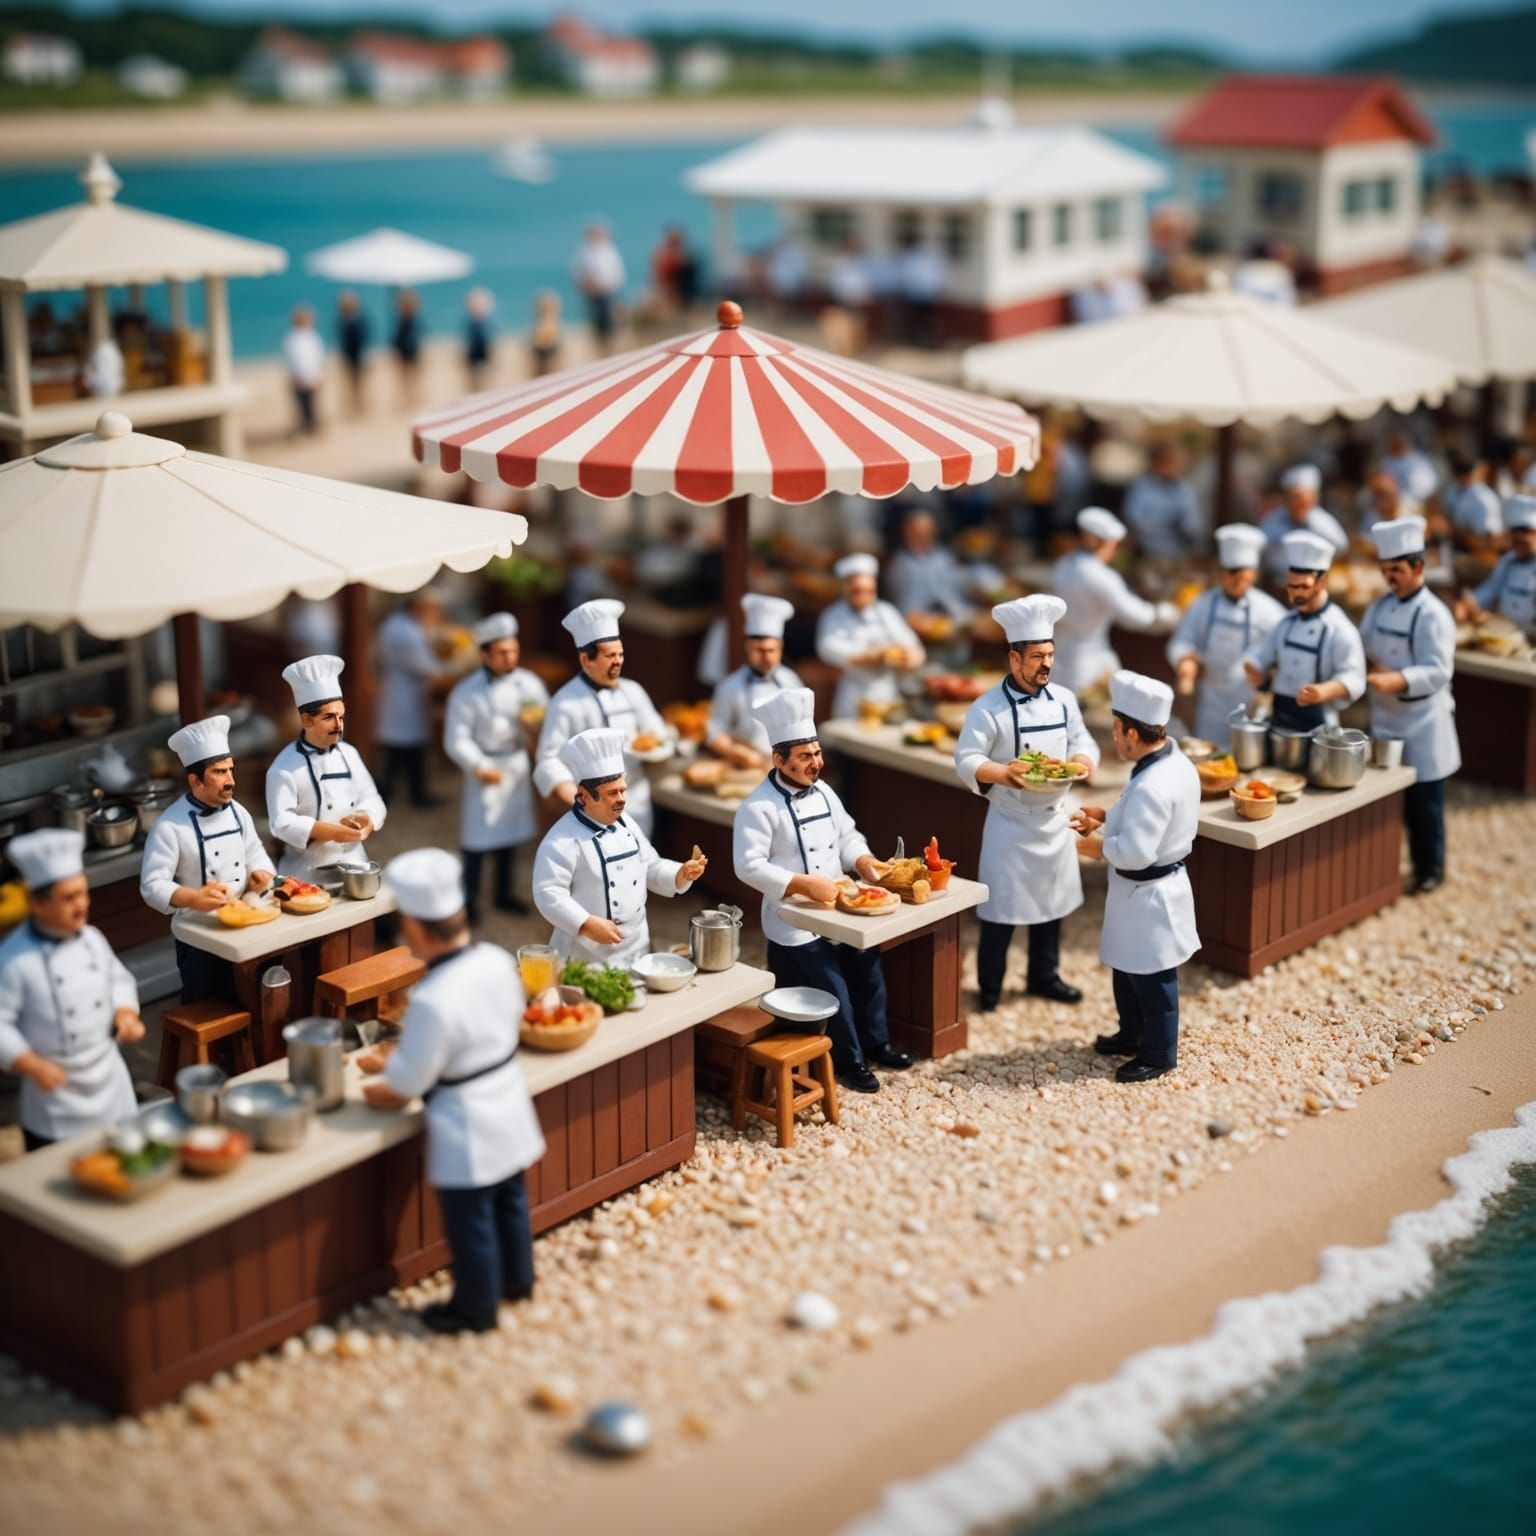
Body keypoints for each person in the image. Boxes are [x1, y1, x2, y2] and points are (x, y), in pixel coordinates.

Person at [359, 849, 545, 1335]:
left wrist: (375, 1086)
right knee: (511, 1197)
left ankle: (476, 1308)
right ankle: (519, 1281)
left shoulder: (431, 998)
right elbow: (499, 1020)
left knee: (472, 1220)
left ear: (418, 931)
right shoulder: (497, 959)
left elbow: (408, 1084)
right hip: (506, 1091)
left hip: (466, 1117)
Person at [733, 689, 912, 1094]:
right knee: (834, 989)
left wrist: (864, 860)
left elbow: (847, 835)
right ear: (779, 760)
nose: (816, 763)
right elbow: (748, 866)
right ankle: (850, 1061)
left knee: (869, 973)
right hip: (793, 919)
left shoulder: (826, 792)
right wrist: (800, 885)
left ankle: (877, 1041)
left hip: (841, 908)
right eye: (805, 756)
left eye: (817, 753)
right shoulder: (757, 808)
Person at [955, 596, 1099, 1013]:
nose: (1046, 665)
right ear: (1014, 659)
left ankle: (1044, 975)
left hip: (1054, 821)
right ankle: (990, 987)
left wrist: (1084, 762)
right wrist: (1002, 773)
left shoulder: (1065, 699)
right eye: (1037, 657)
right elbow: (966, 758)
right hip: (1011, 824)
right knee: (1001, 912)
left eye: (1051, 655)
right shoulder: (988, 708)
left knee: (1051, 907)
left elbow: (1083, 740)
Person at [1070, 671, 1201, 1084]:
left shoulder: (1153, 784)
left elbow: (1138, 851)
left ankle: (1159, 1052)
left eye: (1115, 730)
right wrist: (1107, 816)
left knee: (1153, 977)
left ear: (1130, 731)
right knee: (1126, 967)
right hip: (1139, 891)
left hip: (1149, 891)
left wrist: (1094, 847)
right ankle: (1131, 1033)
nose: (1114, 738)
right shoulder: (1170, 761)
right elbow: (1147, 819)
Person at [0, 830, 143, 1151]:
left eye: (83, 894)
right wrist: (31, 1065)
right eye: (69, 898)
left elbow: (118, 980)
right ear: (39, 903)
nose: (81, 906)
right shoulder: (14, 959)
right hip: (56, 1098)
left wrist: (125, 1012)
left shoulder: (92, 938)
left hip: (110, 1083)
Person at [532, 728, 705, 970]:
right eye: (612, 793)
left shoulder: (627, 823)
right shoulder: (561, 840)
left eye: (623, 790)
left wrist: (680, 873)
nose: (622, 799)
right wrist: (586, 923)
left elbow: (649, 864)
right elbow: (548, 893)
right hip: (587, 952)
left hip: (636, 943)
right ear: (583, 796)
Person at [142, 715, 275, 1004]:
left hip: (244, 924)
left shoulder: (239, 812)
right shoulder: (170, 826)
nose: (231, 781)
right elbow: (152, 885)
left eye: (230, 770)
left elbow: (254, 849)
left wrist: (261, 872)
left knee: (250, 1003)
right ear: (195, 780)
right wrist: (192, 898)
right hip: (199, 935)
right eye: (219, 772)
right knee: (209, 1005)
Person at [1360, 516, 1460, 895]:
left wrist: (1398, 679)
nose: (1390, 578)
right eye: (1386, 570)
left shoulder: (1434, 614)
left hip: (1423, 724)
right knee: (1388, 802)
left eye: (1397, 570)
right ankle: (1386, 868)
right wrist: (1371, 667)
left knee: (1426, 808)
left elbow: (1438, 671)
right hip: (1387, 718)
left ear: (1418, 568)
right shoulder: (1381, 607)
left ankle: (1429, 868)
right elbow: (1363, 642)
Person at [442, 613, 549, 923]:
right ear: (485, 654)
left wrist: (536, 731)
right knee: (477, 838)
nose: (509, 658)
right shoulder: (467, 692)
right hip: (486, 765)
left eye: (513, 651)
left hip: (515, 762)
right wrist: (478, 765)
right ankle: (470, 898)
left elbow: (545, 714)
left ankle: (504, 893)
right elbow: (456, 738)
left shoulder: (528, 683)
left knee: (511, 834)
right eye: (502, 653)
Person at [534, 600, 669, 836]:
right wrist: (578, 800)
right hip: (590, 810)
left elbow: (657, 732)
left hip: (635, 799)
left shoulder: (633, 691)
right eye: (609, 656)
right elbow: (548, 760)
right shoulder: (565, 702)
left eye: (620, 654)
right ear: (587, 660)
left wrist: (656, 742)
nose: (617, 661)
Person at [266, 655, 388, 879]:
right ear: (307, 721)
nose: (338, 725)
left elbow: (371, 796)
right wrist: (329, 831)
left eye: (341, 716)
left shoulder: (349, 754)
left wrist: (367, 818)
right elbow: (281, 823)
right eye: (329, 717)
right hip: (306, 871)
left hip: (355, 864)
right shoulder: (284, 768)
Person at [1166, 524, 1287, 742]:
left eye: (1243, 574)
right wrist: (1185, 661)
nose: (1236, 580)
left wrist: (1269, 673)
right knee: (1208, 753)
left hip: (1248, 698)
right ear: (1220, 573)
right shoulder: (1203, 604)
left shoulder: (1269, 610)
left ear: (1254, 574)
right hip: (1211, 698)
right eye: (1231, 573)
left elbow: (1285, 648)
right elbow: (1182, 639)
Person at [1242, 529, 1367, 732]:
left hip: (1319, 722)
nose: (1296, 594)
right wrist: (1254, 668)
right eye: (1292, 587)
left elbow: (1355, 678)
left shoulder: (1339, 628)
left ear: (1322, 582)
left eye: (1303, 587)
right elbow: (1262, 654)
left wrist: (1324, 691)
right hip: (1281, 717)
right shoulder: (1286, 623)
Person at [1049, 508, 1177, 697]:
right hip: (1087, 661)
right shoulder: (1101, 575)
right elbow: (1133, 615)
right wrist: (1163, 613)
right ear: (1097, 542)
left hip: (1059, 656)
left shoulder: (1063, 565)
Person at [815, 553, 925, 720]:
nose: (864, 597)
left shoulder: (887, 612)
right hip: (854, 694)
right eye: (857, 591)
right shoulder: (834, 615)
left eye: (869, 591)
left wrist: (912, 657)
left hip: (888, 694)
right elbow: (827, 648)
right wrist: (866, 656)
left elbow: (912, 646)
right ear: (846, 588)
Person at [706, 594, 802, 768]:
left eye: (771, 650)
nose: (766, 657)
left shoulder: (791, 681)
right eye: (759, 650)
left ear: (780, 648)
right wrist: (734, 751)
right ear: (748, 648)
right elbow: (714, 730)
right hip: (747, 765)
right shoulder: (730, 686)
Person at [375, 588, 449, 810]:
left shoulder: (398, 625)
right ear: (419, 608)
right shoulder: (405, 632)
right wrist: (451, 669)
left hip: (402, 694)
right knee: (400, 750)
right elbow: (426, 667)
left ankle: (408, 793)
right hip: (404, 696)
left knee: (403, 749)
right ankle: (409, 795)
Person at [1461, 494, 1536, 640]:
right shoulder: (1508, 562)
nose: (1518, 547)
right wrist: (1469, 603)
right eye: (1516, 542)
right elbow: (1489, 589)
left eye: (1523, 541)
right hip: (1505, 636)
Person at [1259, 464, 1349, 581]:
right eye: (1291, 497)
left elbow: (1341, 547)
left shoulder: (1324, 523)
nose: (1296, 502)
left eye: (1300, 497)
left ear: (1314, 498)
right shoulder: (1273, 520)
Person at [1122, 443, 1204, 561]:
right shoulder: (1142, 486)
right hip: (1148, 553)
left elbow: (1193, 522)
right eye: (1167, 462)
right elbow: (1133, 518)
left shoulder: (1183, 489)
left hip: (1179, 554)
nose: (1172, 467)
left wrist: (1187, 528)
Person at [885, 509, 972, 620]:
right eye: (918, 530)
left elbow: (960, 584)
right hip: (913, 620)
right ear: (907, 531)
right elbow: (899, 596)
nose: (924, 534)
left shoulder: (944, 557)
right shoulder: (899, 563)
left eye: (928, 530)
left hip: (954, 617)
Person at [573, 222, 625, 352]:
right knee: (596, 327)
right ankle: (601, 350)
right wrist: (587, 285)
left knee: (610, 326)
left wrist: (605, 285)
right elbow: (577, 273)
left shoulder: (610, 250)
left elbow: (617, 275)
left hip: (607, 293)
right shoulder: (584, 252)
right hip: (592, 295)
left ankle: (610, 350)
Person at [1442, 451, 1504, 554]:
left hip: (1482, 550)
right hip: (1458, 547)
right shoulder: (1452, 491)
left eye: (1466, 473)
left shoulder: (1484, 497)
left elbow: (1491, 537)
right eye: (1460, 474)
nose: (1463, 478)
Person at [282, 304, 324, 438]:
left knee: (312, 404)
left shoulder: (311, 336)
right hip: (299, 378)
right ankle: (305, 427)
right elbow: (292, 359)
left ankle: (312, 427)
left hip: (312, 376)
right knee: (301, 405)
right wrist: (295, 377)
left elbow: (317, 357)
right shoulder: (293, 337)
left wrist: (319, 374)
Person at [1380, 427, 1439, 506]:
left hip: (1416, 503)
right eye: (1394, 442)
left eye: (1399, 442)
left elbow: (1428, 485)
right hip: (1392, 504)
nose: (1396, 445)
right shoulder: (1386, 461)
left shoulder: (1418, 458)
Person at [335, 290, 368, 413]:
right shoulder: (343, 320)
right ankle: (356, 402)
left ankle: (361, 403)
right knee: (351, 380)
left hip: (358, 354)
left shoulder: (357, 320)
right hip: (349, 354)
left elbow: (362, 338)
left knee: (359, 381)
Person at [392, 289, 422, 404]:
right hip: (407, 349)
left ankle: (412, 395)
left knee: (411, 374)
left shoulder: (408, 319)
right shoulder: (406, 319)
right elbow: (398, 338)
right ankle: (410, 395)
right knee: (407, 375)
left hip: (410, 349)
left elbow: (398, 337)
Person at [464, 288, 495, 391]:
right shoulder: (472, 321)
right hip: (474, 352)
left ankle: (483, 390)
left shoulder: (484, 321)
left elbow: (489, 339)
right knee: (473, 379)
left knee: (485, 376)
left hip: (482, 351)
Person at [530, 290, 562, 376]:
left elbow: (542, 343)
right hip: (546, 354)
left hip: (546, 355)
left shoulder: (547, 322)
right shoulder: (550, 322)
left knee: (546, 373)